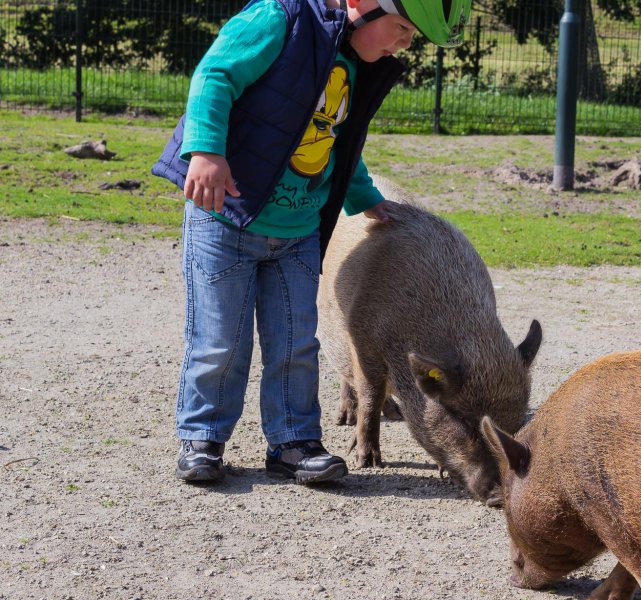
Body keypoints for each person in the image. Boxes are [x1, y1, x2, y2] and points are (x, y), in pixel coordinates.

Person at [152, 0, 471, 484]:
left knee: (296, 344)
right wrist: (207, 151)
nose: (405, 42)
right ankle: (202, 439)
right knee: (220, 341)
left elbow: (339, 140)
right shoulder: (282, 20)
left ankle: (293, 442)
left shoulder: (356, 62)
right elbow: (215, 74)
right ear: (363, 6)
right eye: (402, 27)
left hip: (297, 230)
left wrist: (364, 197)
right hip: (227, 217)